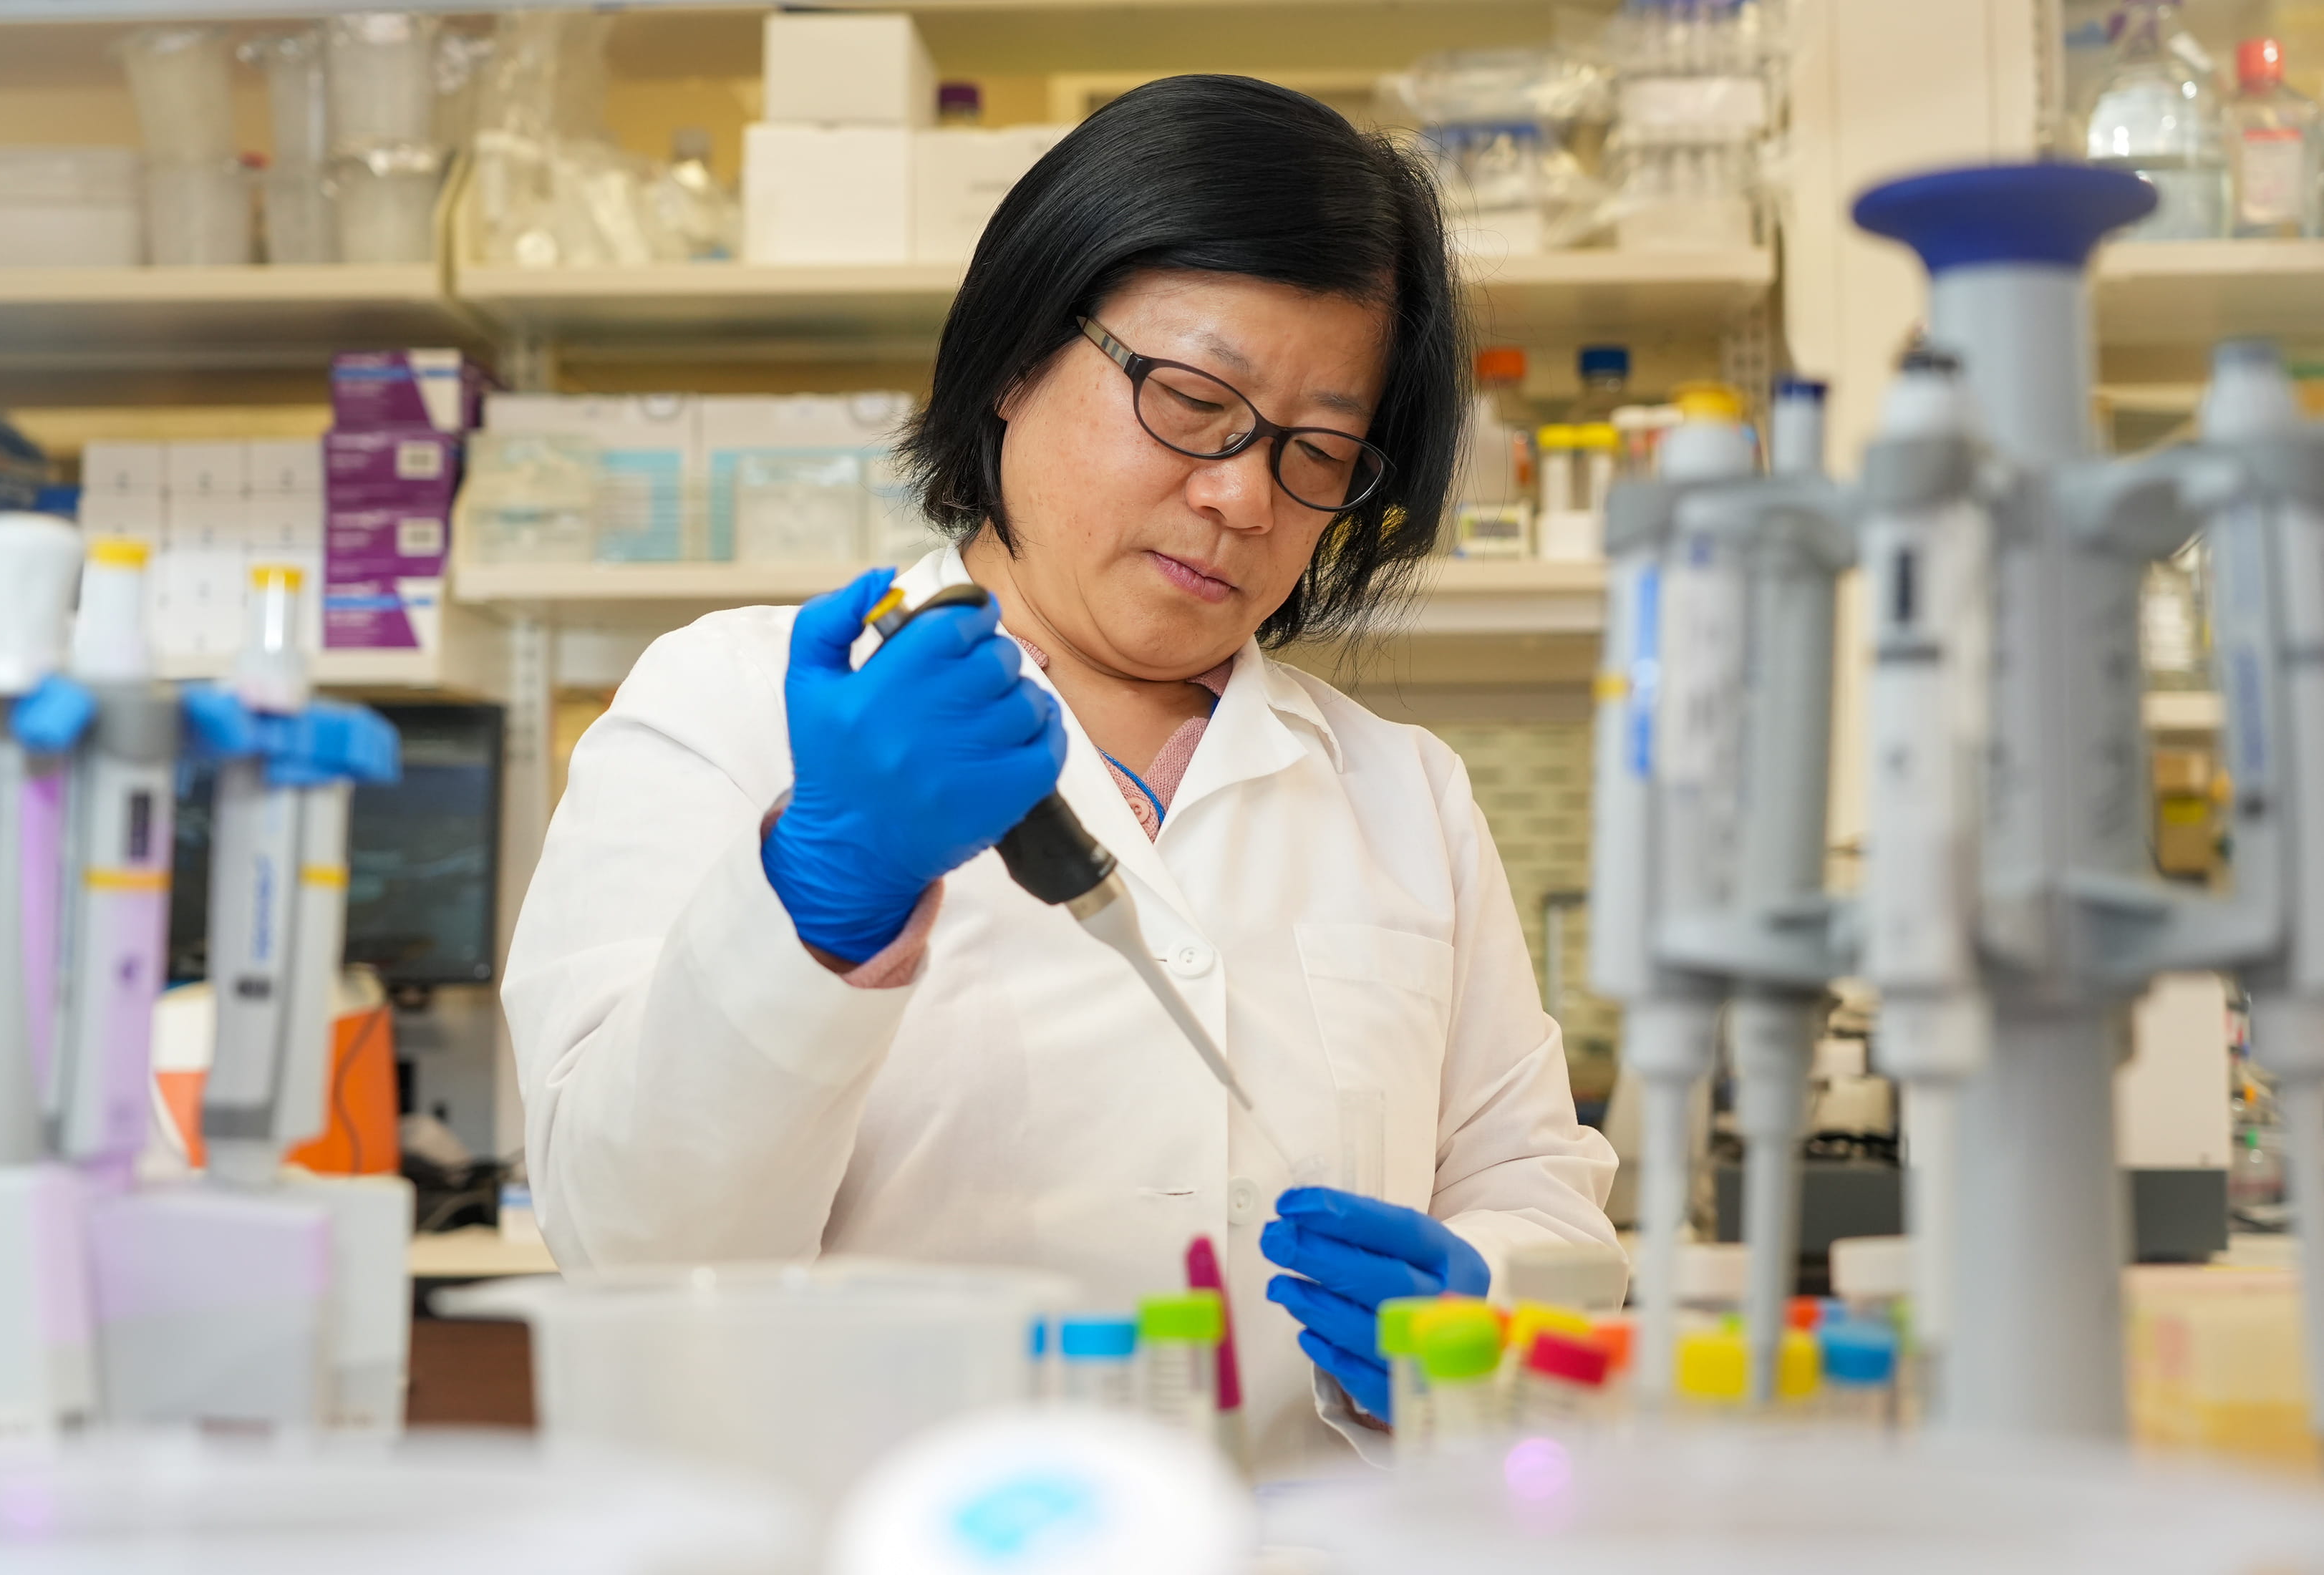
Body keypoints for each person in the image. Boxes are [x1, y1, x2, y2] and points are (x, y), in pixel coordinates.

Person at [504, 74, 1617, 1469]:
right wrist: (814, 897)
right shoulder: (728, 705)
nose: (1245, 497)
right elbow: (628, 1247)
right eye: (1195, 401)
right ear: (1019, 358)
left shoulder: (1404, 791)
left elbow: (1538, 1195)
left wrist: (1485, 1315)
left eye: (1320, 450)